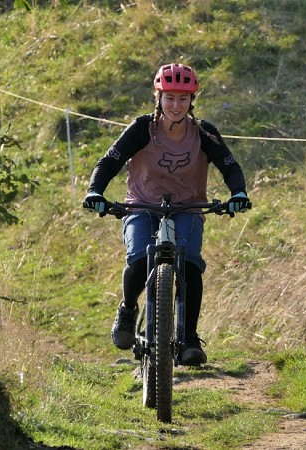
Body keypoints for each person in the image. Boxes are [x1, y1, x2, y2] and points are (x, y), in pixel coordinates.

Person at [83, 63, 250, 366]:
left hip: (187, 208)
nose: (176, 105)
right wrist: (95, 191)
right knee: (138, 258)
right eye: (170, 97)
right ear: (158, 97)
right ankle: (129, 310)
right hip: (142, 206)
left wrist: (238, 193)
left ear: (192, 101)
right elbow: (109, 162)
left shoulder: (204, 133)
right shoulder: (142, 129)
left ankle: (188, 338)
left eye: (183, 99)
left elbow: (230, 166)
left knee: (190, 265)